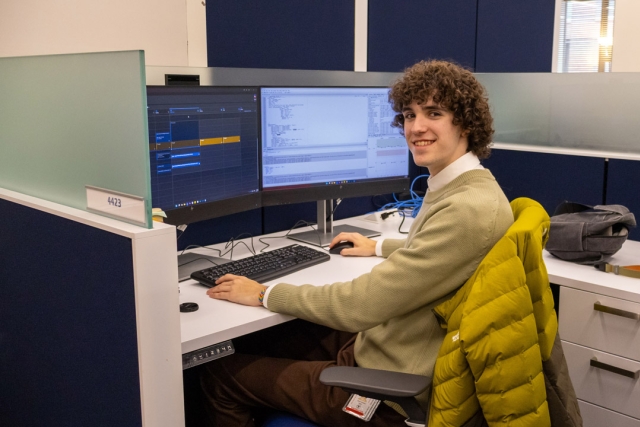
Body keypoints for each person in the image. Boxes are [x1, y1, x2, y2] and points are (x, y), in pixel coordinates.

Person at [200, 60, 514, 427]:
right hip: (386, 345)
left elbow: (359, 306)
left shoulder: (467, 208)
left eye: (434, 113)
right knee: (254, 344)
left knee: (218, 374)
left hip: (393, 390)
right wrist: (379, 247)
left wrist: (263, 294)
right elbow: (441, 254)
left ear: (466, 122)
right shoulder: (466, 187)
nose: (416, 127)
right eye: (409, 115)